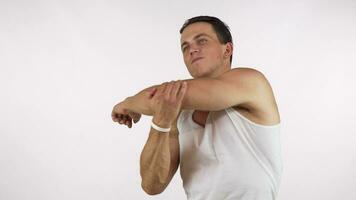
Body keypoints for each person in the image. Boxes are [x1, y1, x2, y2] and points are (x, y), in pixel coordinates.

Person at [111, 16, 283, 200]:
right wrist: (161, 121)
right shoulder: (179, 111)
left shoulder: (251, 82)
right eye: (185, 47)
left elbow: (160, 96)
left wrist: (127, 104)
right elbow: (152, 185)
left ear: (228, 49)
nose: (192, 49)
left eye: (202, 41)